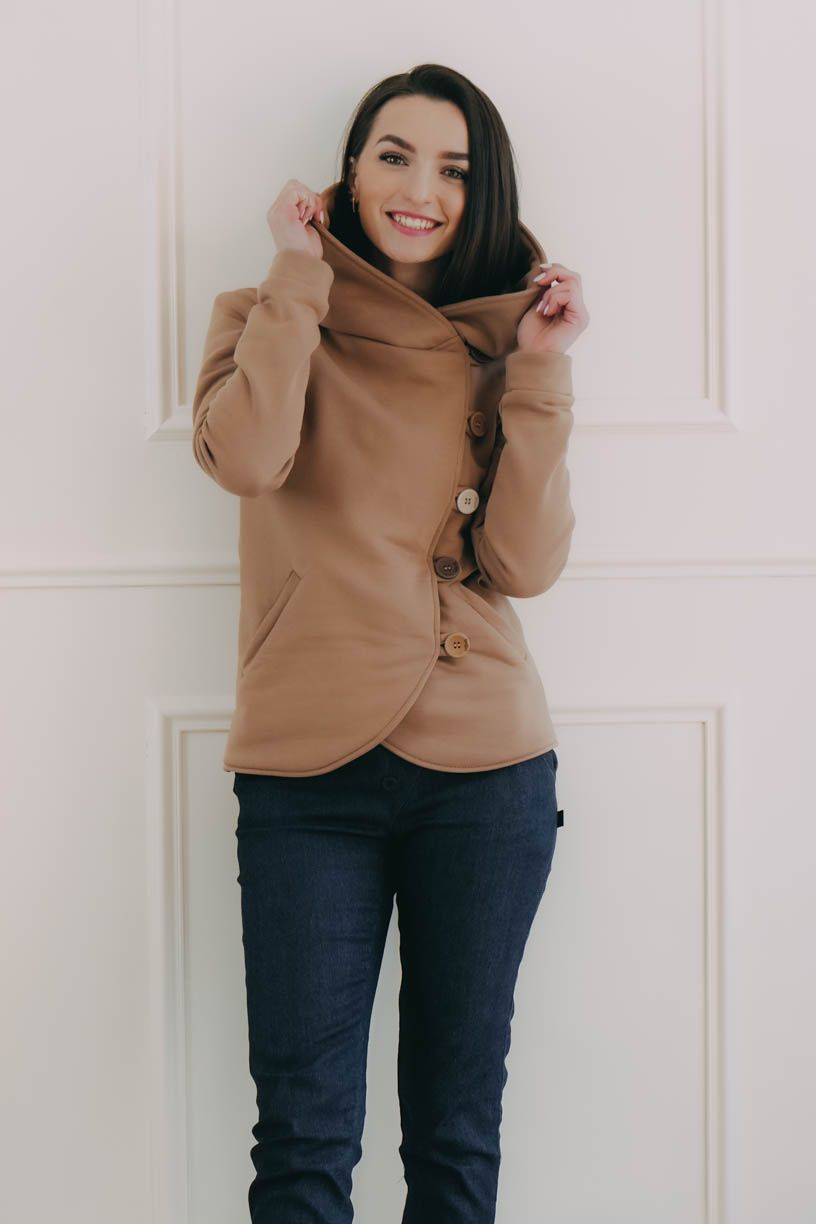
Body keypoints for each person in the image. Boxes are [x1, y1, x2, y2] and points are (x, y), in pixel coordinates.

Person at [192, 62, 589, 1224]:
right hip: (306, 770)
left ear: (485, 192)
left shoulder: (509, 341)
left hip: (486, 769)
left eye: (454, 170)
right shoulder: (269, 311)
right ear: (351, 171)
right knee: (303, 1139)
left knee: (455, 1137)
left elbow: (524, 565)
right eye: (395, 156)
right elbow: (246, 459)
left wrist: (542, 372)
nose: (421, 190)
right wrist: (297, 272)